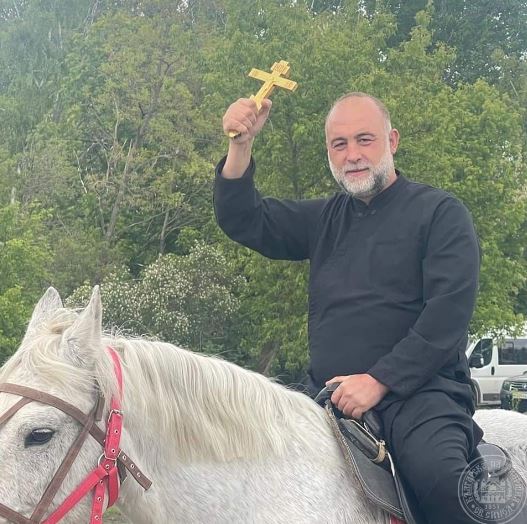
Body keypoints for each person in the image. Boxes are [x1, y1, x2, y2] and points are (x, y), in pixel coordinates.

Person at [214, 92, 484, 524]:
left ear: (392, 141)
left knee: (444, 483)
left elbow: (447, 317)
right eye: (339, 144)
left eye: (365, 140)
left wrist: (380, 381)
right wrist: (240, 144)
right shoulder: (323, 219)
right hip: (326, 398)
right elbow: (245, 219)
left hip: (422, 398)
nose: (352, 155)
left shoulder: (440, 214)